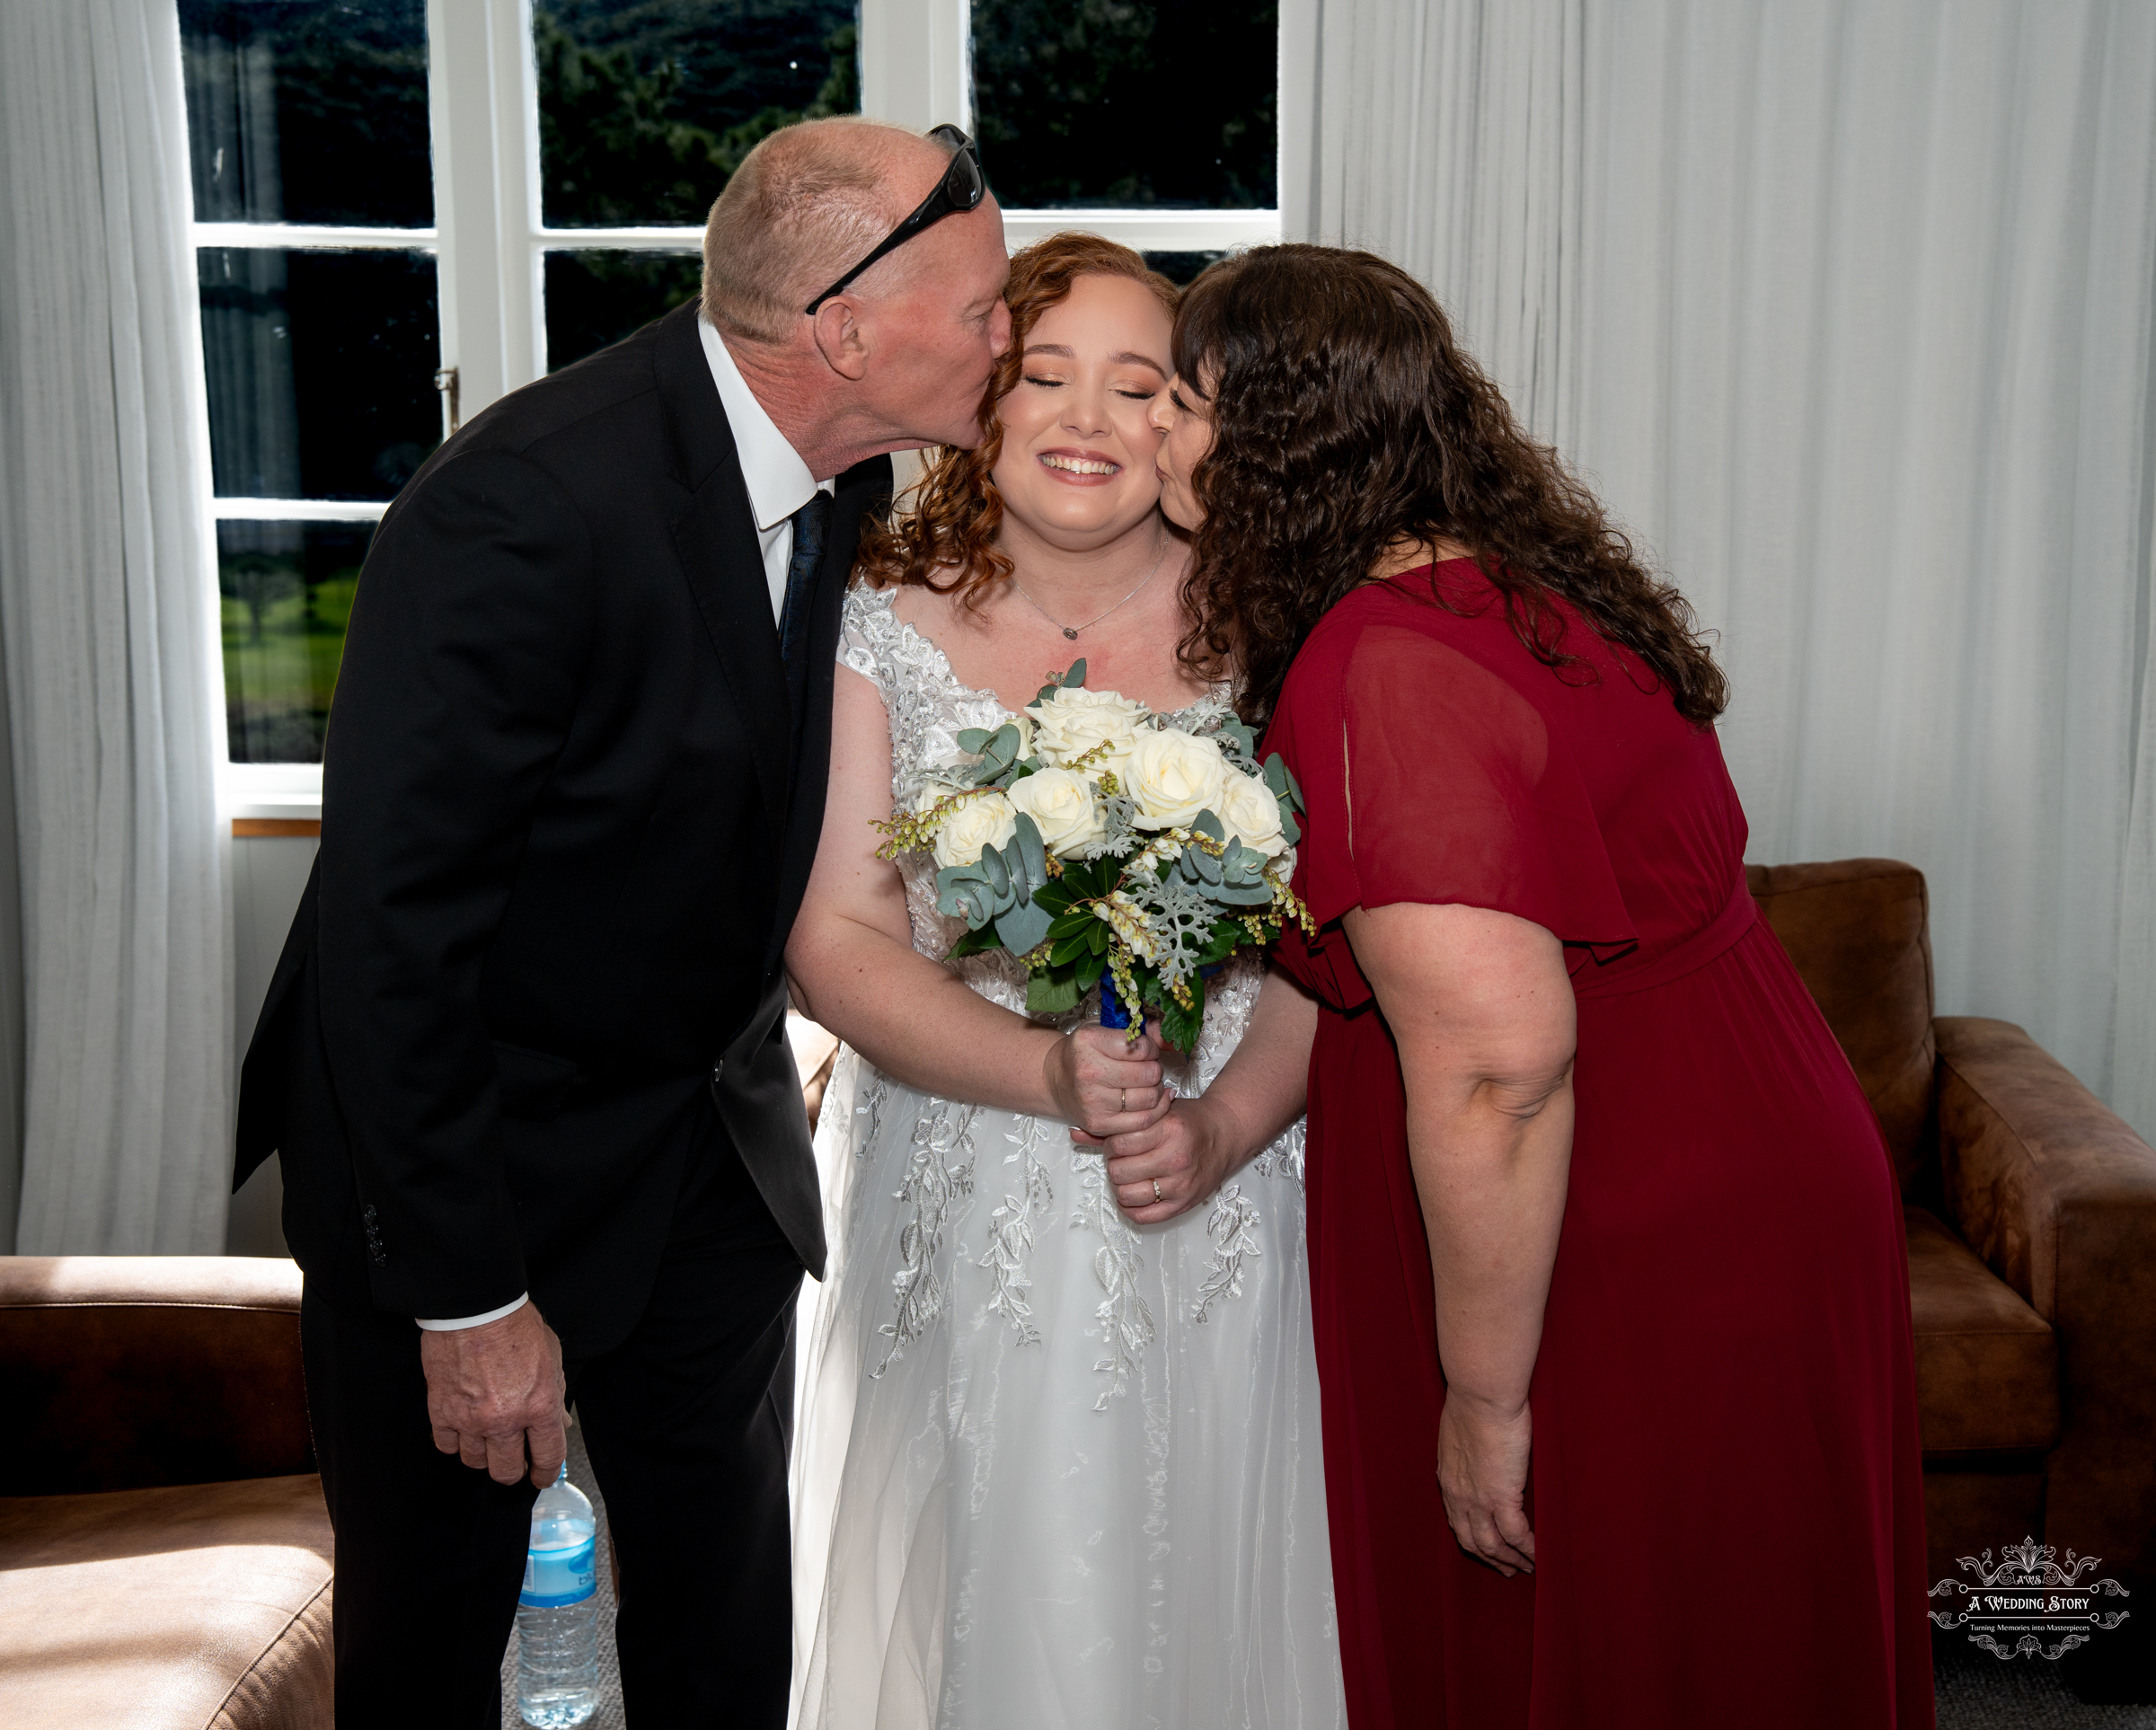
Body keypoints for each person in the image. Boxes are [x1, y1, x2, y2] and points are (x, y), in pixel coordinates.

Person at [231, 119, 1012, 1727]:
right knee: (431, 1661)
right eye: (985, 307)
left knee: (723, 1639)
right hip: (465, 1176)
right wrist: (466, 1298)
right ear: (844, 329)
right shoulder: (522, 503)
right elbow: (393, 936)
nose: (1009, 338)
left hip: (707, 1162)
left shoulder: (850, 478)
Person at [1141, 244, 1934, 1728]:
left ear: (1283, 444)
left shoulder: (1388, 671)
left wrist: (1486, 1392)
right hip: (1739, 1145)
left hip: (1613, 1219)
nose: (1157, 432)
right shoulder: (1517, 583)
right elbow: (1372, 956)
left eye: (1186, 403)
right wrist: (1231, 1124)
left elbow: (1500, 1069)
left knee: (1617, 1645)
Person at [783, 234, 1346, 1730]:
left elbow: (1328, 952)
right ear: (984, 399)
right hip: (964, 1165)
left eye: (1141, 384)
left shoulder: (1276, 624)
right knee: (999, 1572)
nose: (1089, 417)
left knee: (1227, 1565)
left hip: (1226, 1167)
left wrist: (1222, 1121)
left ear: (1194, 422)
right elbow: (839, 935)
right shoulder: (874, 620)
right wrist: (1041, 1068)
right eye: (1045, 375)